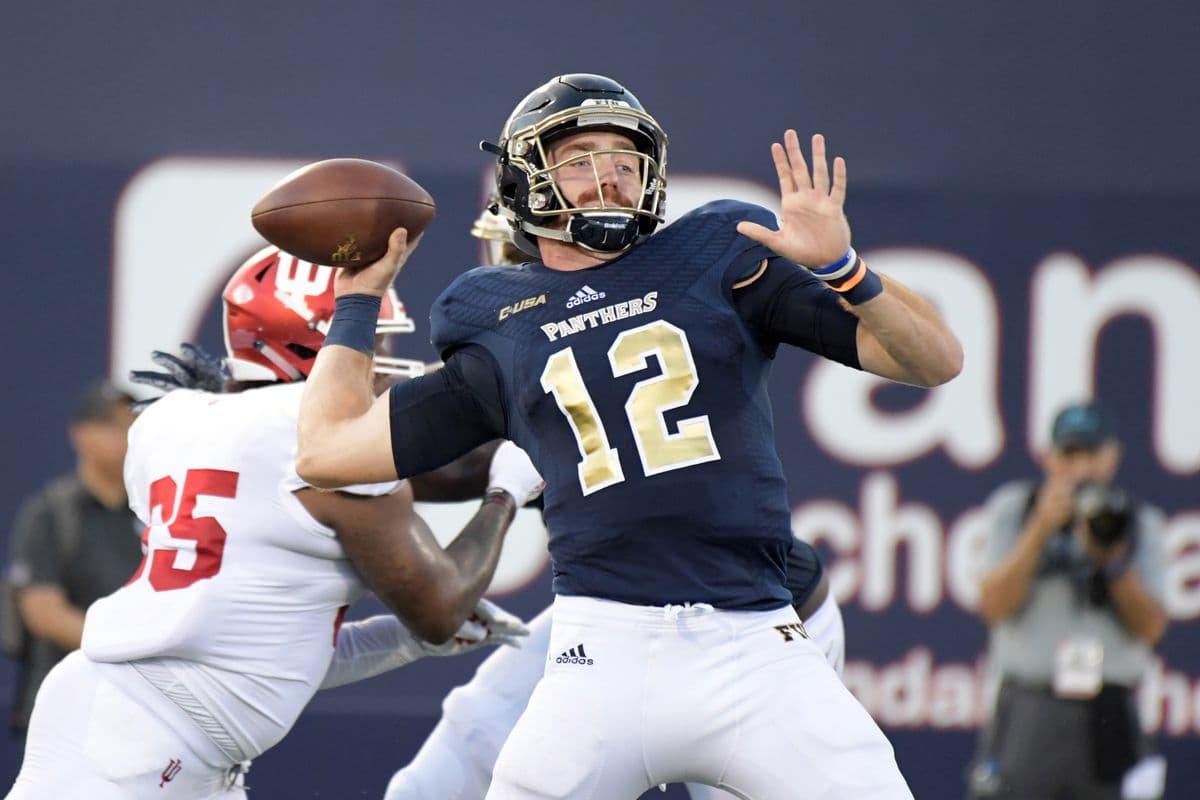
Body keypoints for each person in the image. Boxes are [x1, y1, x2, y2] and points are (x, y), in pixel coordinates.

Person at [298, 73, 963, 798]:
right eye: (580, 159)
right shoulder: (497, 319)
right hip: (599, 654)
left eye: (625, 159)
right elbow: (327, 453)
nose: (609, 176)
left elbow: (935, 361)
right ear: (525, 180)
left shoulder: (713, 251)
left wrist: (843, 268)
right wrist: (356, 303)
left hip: (755, 644)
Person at [5, 246, 543, 799]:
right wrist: (506, 492)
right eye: (372, 341)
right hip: (142, 745)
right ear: (311, 348)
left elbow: (265, 656)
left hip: (138, 725)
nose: (383, 361)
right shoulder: (304, 446)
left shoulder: (181, 421)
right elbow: (440, 608)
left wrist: (403, 643)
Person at [382, 206, 848, 800]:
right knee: (465, 743)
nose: (521, 274)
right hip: (613, 622)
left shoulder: (655, 339)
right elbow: (397, 457)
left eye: (518, 257)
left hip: (752, 624)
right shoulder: (506, 366)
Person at [970, 401, 1169, 800]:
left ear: (1112, 456)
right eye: (1069, 454)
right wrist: (1039, 530)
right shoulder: (1017, 509)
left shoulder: (1135, 522)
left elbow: (1151, 628)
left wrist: (1111, 560)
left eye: (1091, 454)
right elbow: (993, 606)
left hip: (1108, 711)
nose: (1080, 469)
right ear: (1049, 458)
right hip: (1032, 703)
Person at [3, 380, 142, 740]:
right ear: (80, 435)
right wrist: (130, 650)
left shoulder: (155, 514)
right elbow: (44, 614)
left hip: (139, 711)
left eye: (133, 425)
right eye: (112, 425)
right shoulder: (50, 514)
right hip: (64, 710)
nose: (125, 437)